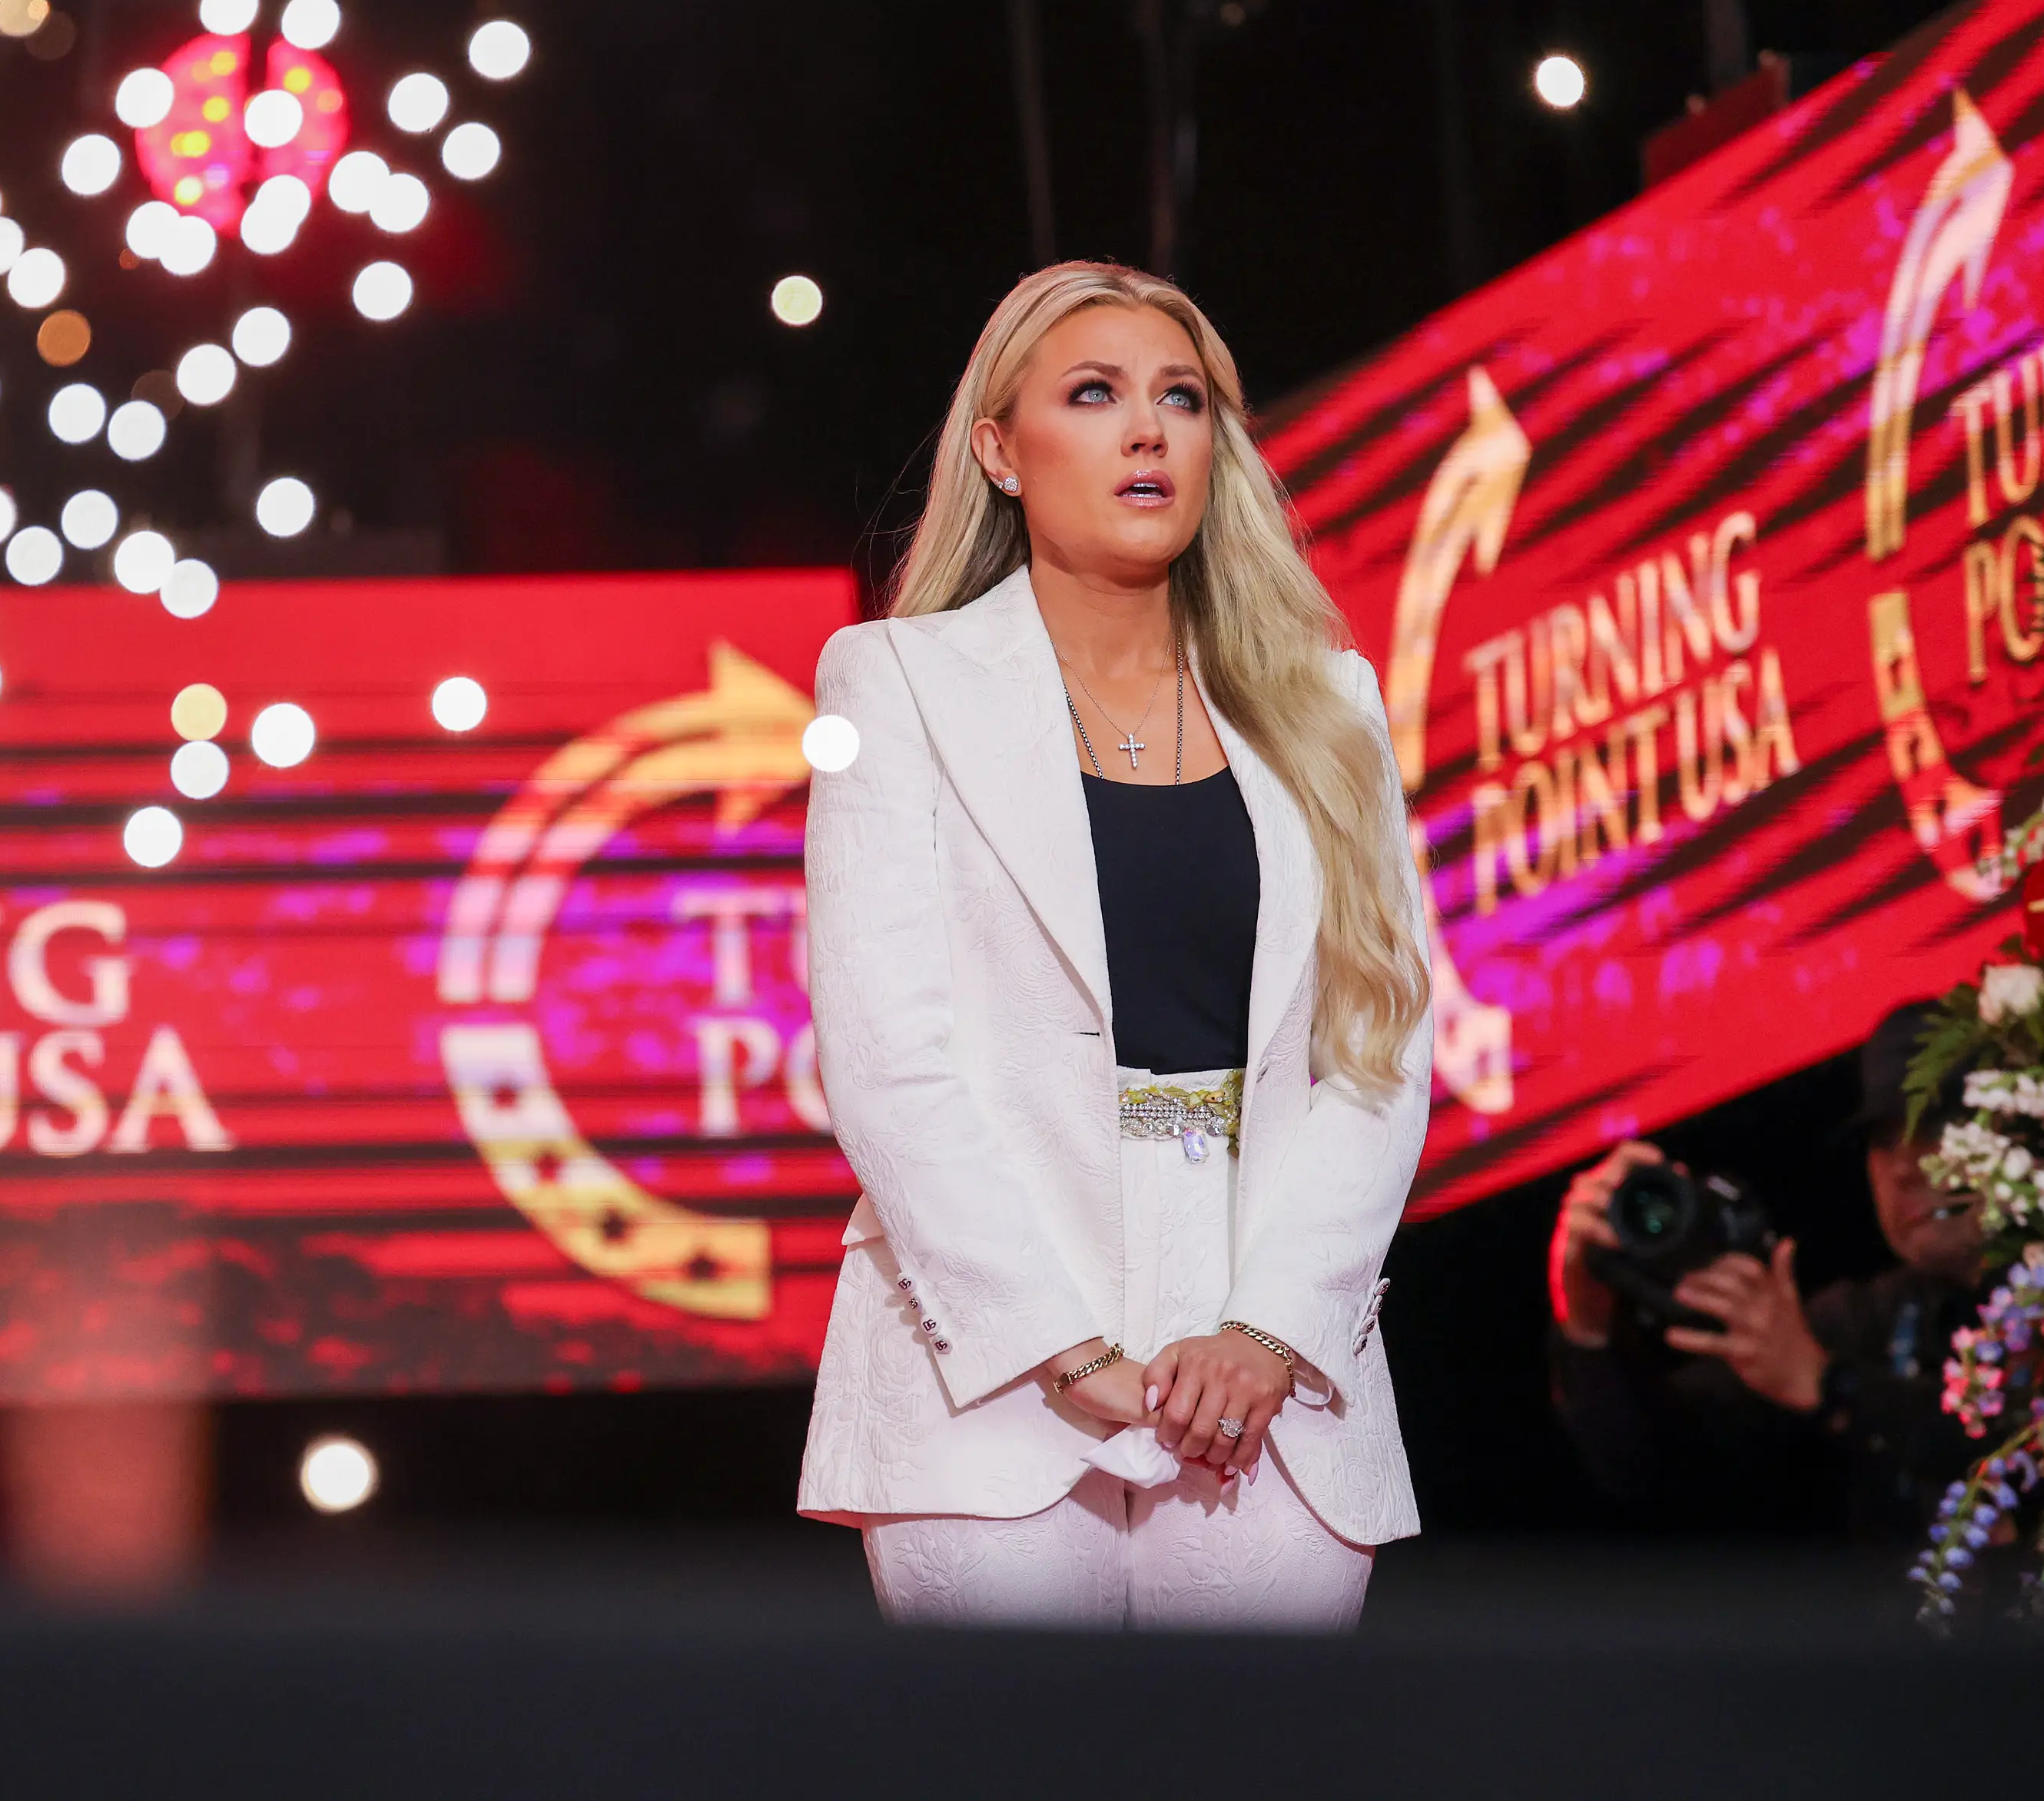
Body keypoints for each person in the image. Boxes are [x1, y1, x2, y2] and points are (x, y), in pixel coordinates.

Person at [794, 261, 1434, 1630]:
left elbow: (1381, 1047)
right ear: (1000, 449)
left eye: (1182, 399)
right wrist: (1049, 1339)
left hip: (1276, 1375)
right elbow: (886, 1057)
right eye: (1094, 395)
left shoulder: (1330, 706)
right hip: (985, 1366)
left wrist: (1272, 1327)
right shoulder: (891, 682)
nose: (1148, 431)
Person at [1548, 1003, 1984, 1544]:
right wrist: (1588, 1328)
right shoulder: (1870, 1317)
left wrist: (1830, 1386)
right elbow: (1651, 1465)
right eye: (1882, 1139)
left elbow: (2017, 1444)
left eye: (1931, 1124)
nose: (1901, 1166)